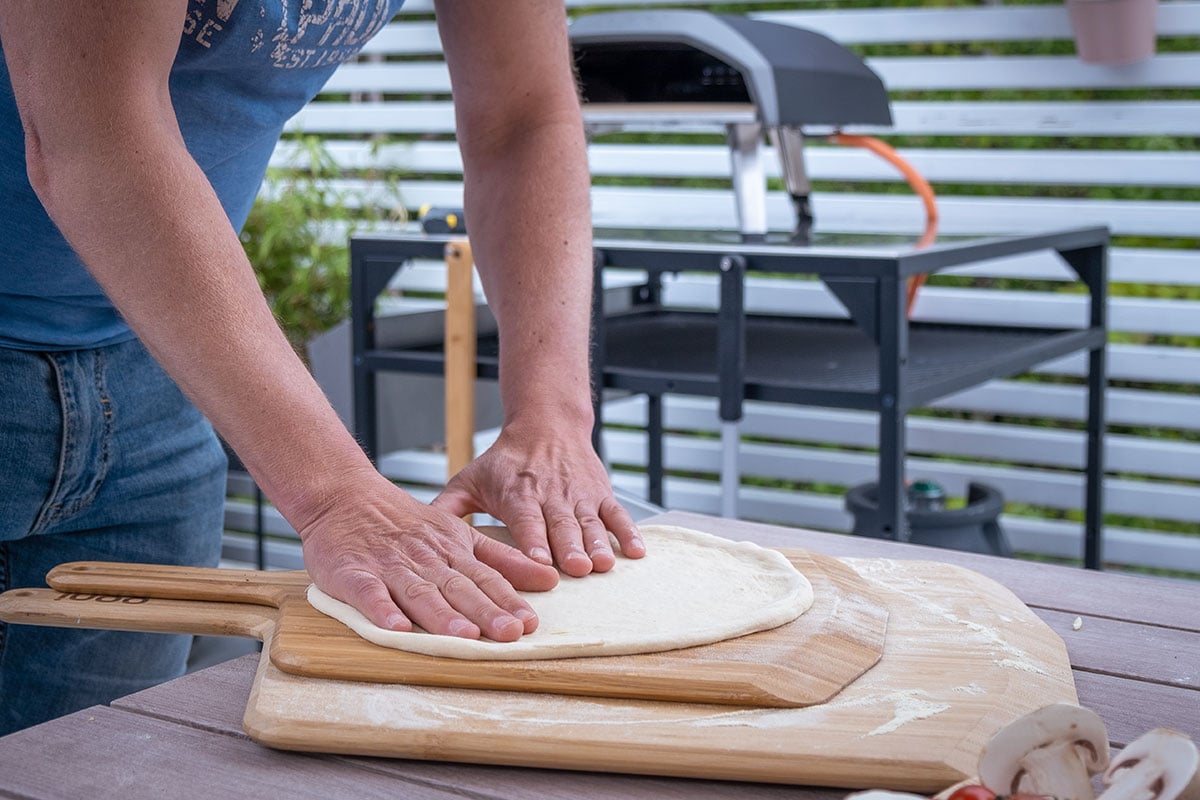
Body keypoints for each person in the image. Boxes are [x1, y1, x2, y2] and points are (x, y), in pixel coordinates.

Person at [0, 0, 643, 736]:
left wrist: (553, 417)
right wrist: (336, 495)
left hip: (158, 377)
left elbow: (522, 120)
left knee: (91, 763)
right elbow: (89, 131)